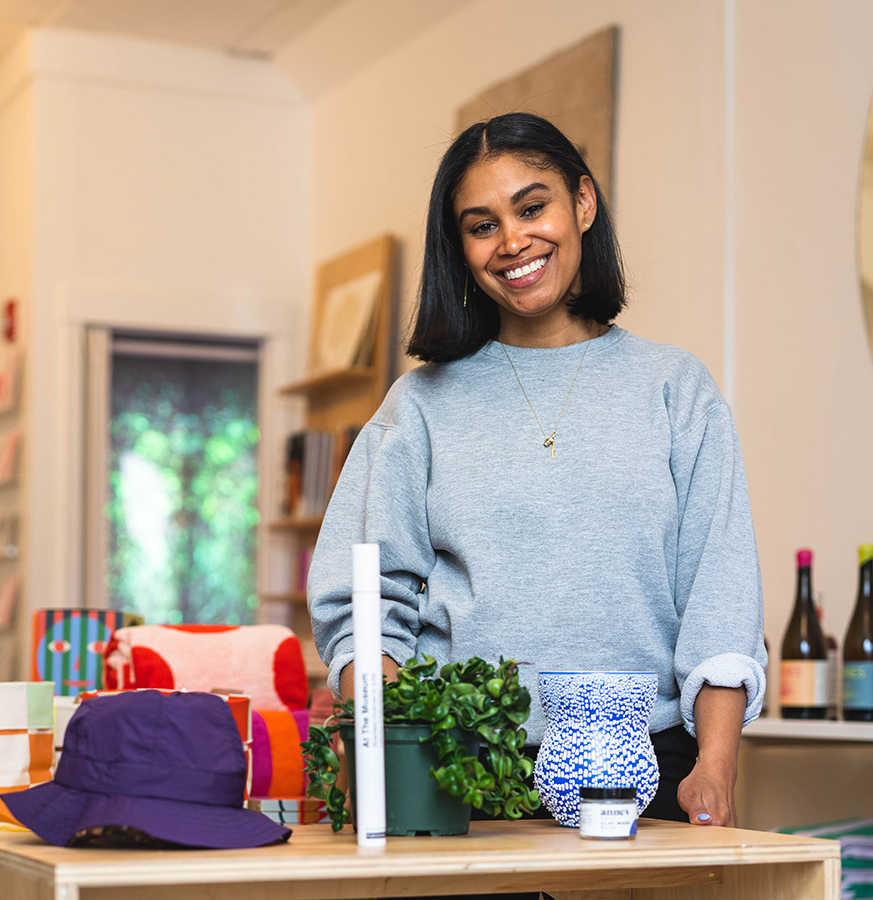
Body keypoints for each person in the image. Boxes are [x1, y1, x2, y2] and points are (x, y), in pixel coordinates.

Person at [308, 112, 766, 829]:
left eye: (532, 206)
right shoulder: (419, 407)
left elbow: (719, 596)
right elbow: (360, 599)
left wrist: (715, 768)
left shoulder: (676, 388)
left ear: (582, 203)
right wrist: (389, 742)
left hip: (647, 772)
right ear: (459, 247)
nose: (514, 240)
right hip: (462, 769)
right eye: (482, 225)